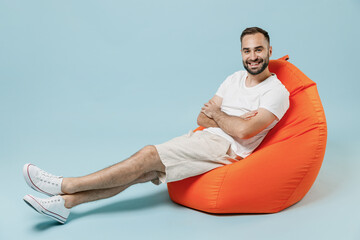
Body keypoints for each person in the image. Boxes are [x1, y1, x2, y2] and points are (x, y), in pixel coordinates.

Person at [22, 27, 290, 224]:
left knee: (148, 155)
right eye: (247, 50)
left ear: (269, 51)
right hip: (207, 136)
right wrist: (228, 118)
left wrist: (220, 116)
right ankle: (66, 204)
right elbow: (201, 118)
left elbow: (244, 132)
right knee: (145, 172)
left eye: (258, 49)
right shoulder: (233, 79)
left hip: (225, 149)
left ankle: (65, 184)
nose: (252, 56)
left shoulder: (276, 92)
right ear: (241, 52)